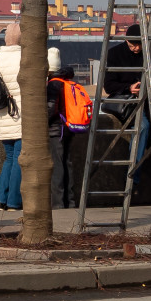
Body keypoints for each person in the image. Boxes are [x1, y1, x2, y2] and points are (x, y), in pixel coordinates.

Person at [0, 23, 54, 212]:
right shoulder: (28, 57)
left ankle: (0, 201)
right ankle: (13, 202)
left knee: (9, 157)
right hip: (23, 116)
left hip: (1, 115)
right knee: (19, 158)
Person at [102, 22, 151, 199]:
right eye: (132, 45)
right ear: (126, 41)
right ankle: (132, 182)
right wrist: (130, 88)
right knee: (141, 128)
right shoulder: (114, 53)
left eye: (139, 45)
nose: (136, 48)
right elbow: (109, 85)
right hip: (131, 104)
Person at [46, 57, 87, 208]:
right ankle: (70, 201)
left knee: (57, 166)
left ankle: (57, 203)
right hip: (70, 127)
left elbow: (50, 109)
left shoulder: (53, 84)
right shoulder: (67, 82)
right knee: (67, 163)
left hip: (56, 130)